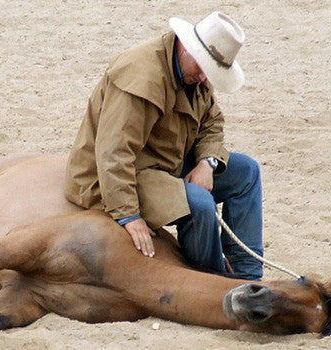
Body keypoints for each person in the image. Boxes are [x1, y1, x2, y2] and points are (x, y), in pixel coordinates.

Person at [64, 12, 263, 280]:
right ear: (186, 46)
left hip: (167, 163)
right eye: (203, 67)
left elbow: (212, 123)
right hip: (117, 176)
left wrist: (207, 162)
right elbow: (114, 153)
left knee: (247, 173)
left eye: (211, 71)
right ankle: (213, 281)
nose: (205, 77)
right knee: (198, 204)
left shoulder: (195, 73)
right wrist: (128, 215)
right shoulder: (141, 77)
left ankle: (249, 277)